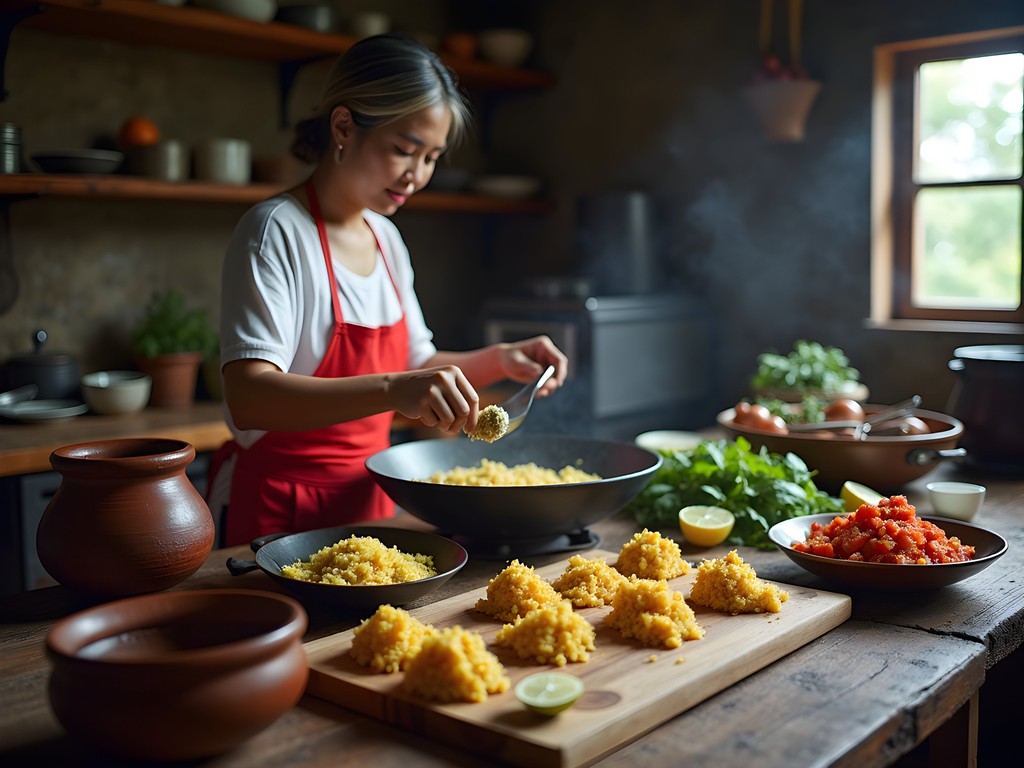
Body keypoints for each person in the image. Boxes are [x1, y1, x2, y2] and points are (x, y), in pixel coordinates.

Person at [209, 35, 567, 547]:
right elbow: (249, 397)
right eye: (404, 150)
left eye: (431, 158)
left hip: (372, 502)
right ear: (343, 127)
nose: (416, 175)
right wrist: (395, 388)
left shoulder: (386, 238)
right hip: (283, 506)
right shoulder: (276, 231)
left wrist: (502, 359)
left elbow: (416, 364)